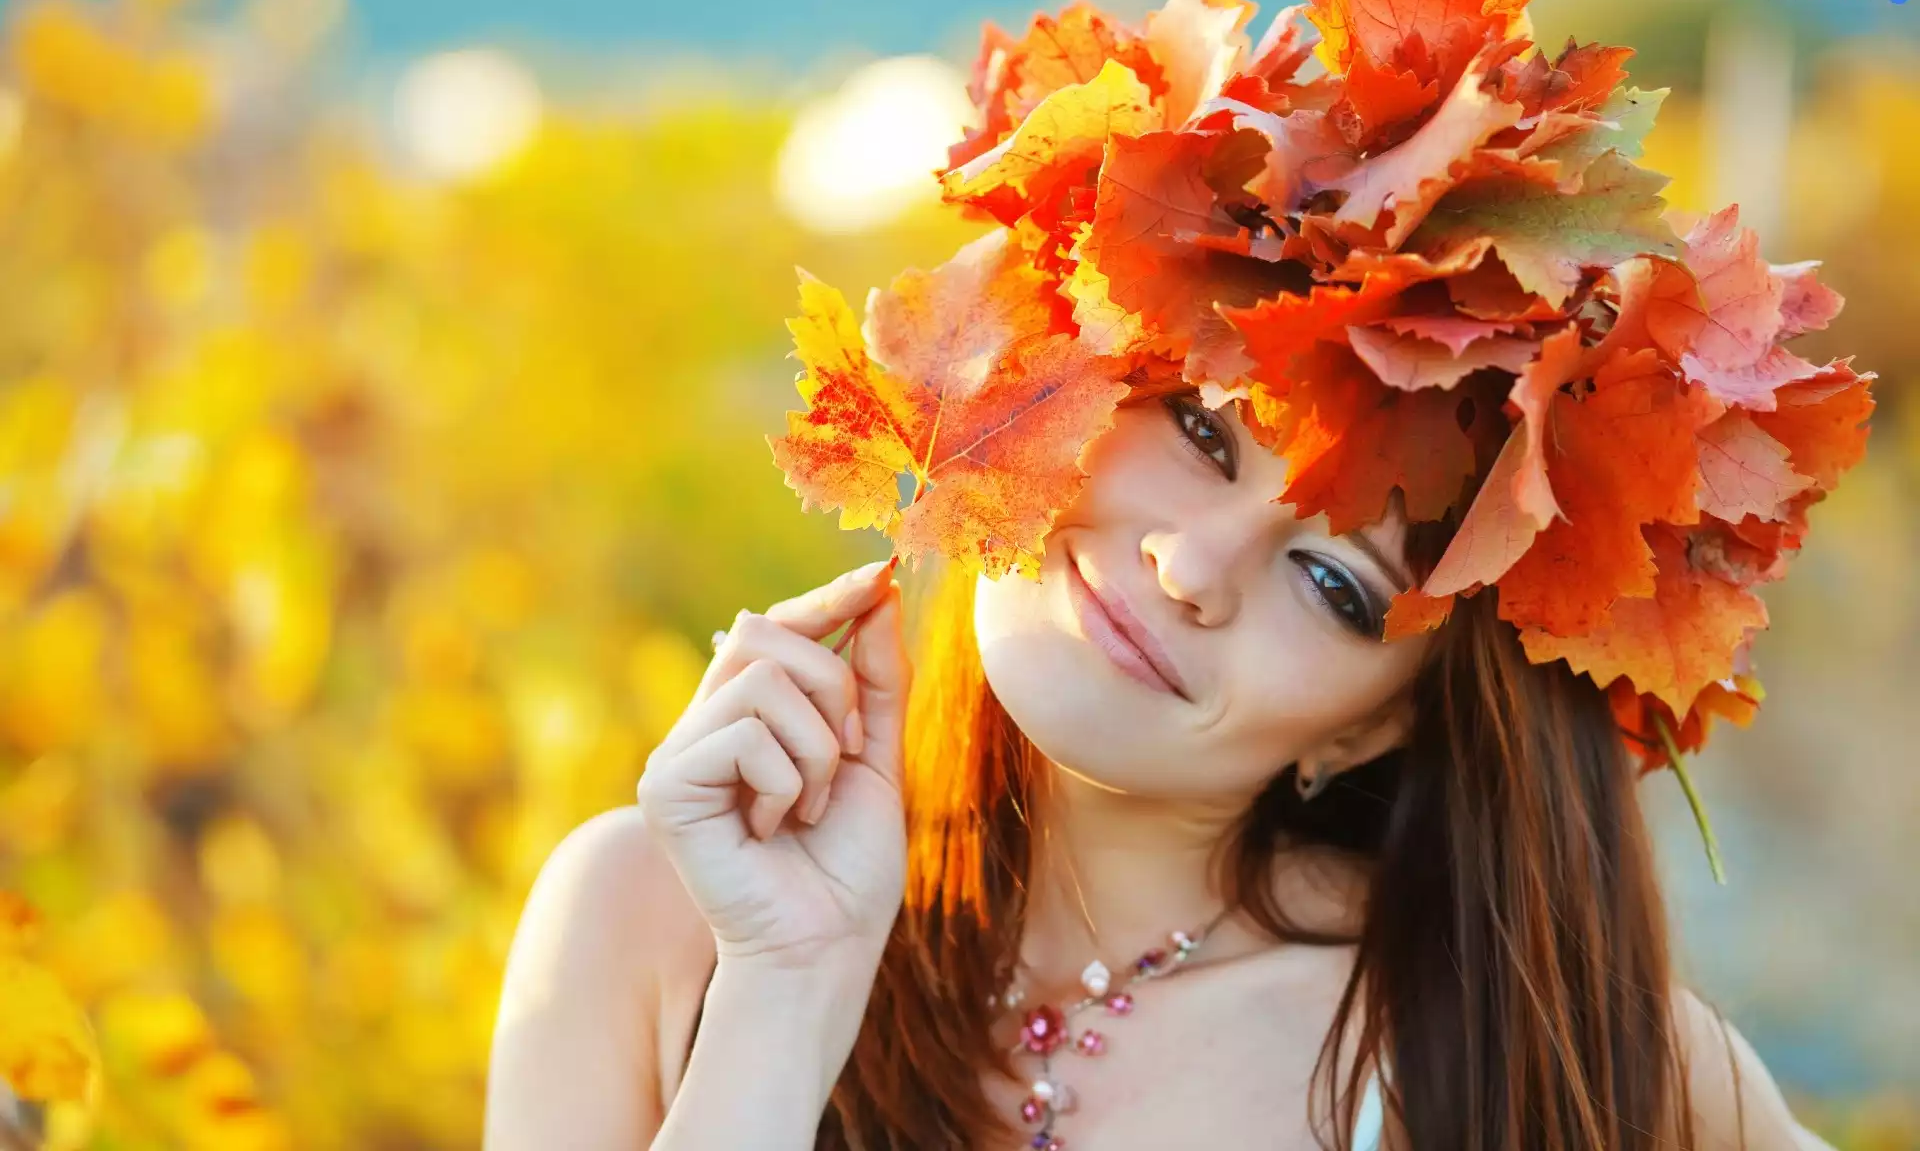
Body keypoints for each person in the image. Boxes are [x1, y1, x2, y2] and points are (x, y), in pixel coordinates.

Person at [483, 384, 1838, 1149]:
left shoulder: (1531, 1048)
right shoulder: (652, 926)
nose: (1190, 569)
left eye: (1332, 582)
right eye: (1200, 429)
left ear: (1380, 722)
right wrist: (784, 1000)